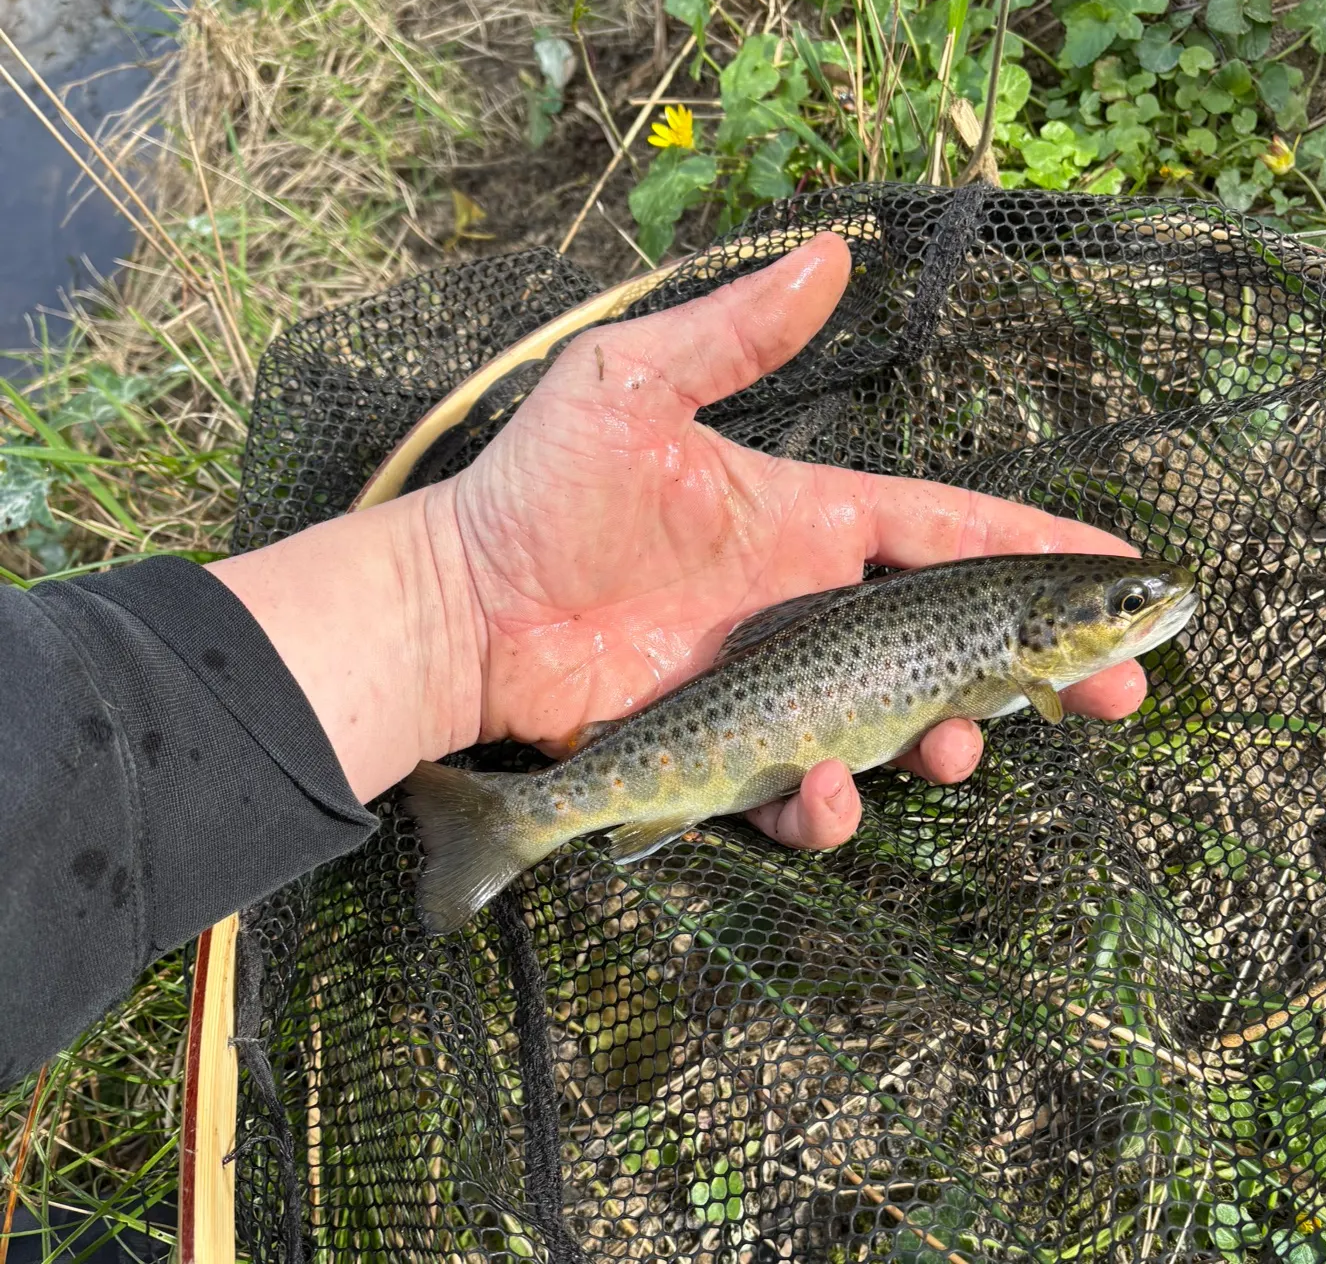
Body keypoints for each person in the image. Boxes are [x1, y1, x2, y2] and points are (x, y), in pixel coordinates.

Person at [0, 233, 1145, 1085]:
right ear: (1045, 639)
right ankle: (513, 816)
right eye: (1121, 606)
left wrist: (451, 597)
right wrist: (459, 587)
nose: (1138, 612)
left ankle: (522, 813)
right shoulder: (1019, 659)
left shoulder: (1015, 644)